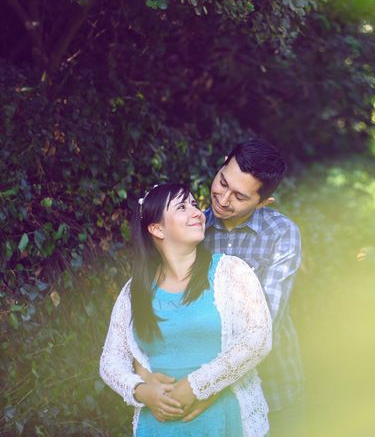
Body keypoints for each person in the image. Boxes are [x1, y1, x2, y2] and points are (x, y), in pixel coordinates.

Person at [100, 183, 272, 436]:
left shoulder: (231, 272)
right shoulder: (134, 290)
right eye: (182, 207)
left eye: (194, 204)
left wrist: (196, 386)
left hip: (224, 421)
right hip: (158, 427)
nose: (197, 212)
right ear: (157, 229)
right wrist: (141, 390)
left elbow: (258, 339)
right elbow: (111, 361)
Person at [202, 140, 304, 435]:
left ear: (262, 203)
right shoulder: (194, 229)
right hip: (208, 390)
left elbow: (265, 321)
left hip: (274, 388)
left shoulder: (281, 234)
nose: (222, 199)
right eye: (222, 182)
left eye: (239, 196)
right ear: (222, 165)